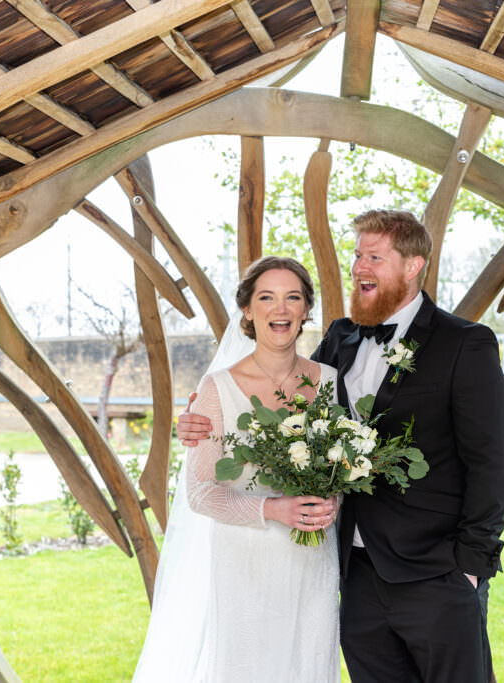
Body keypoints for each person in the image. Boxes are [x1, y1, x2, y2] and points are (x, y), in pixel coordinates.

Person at [178, 210, 504, 682]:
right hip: (353, 577)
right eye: (358, 255)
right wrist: (198, 420)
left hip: (437, 574)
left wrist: (470, 568)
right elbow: (282, 406)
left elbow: (493, 463)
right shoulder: (340, 340)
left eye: (374, 257)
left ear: (413, 265)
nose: (359, 267)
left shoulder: (465, 343)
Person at [134, 256, 340, 682]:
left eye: (292, 298)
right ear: (248, 310)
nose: (279, 309)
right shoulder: (216, 389)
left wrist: (332, 498)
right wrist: (273, 510)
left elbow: (341, 465)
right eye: (266, 297)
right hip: (245, 566)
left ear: (305, 310)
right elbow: (201, 492)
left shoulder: (331, 383)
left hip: (314, 562)